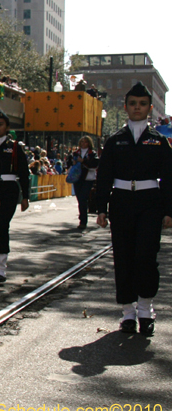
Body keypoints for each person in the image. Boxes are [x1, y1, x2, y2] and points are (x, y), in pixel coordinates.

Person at [96, 81, 172, 336]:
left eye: (141, 104)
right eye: (132, 104)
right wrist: (101, 208)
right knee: (124, 256)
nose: (136, 108)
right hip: (122, 202)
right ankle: (128, 312)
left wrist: (169, 209)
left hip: (150, 203)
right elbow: (104, 175)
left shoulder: (159, 142)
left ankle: (146, 309)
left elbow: (170, 178)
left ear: (149, 108)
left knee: (146, 256)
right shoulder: (115, 141)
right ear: (126, 107)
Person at [0, 109, 30, 284]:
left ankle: (0, 268)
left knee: (0, 226)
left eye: (0, 124)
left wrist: (26, 196)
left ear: (7, 127)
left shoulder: (14, 147)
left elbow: (24, 173)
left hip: (8, 189)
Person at [71, 135, 98, 230]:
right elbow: (69, 163)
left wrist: (83, 161)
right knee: (79, 198)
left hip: (88, 178)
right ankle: (82, 215)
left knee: (83, 198)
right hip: (77, 178)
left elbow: (94, 164)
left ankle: (83, 220)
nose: (83, 144)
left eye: (85, 142)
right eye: (82, 142)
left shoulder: (92, 154)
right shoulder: (75, 153)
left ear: (89, 143)